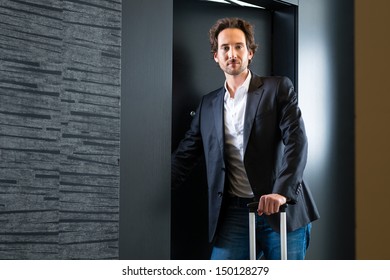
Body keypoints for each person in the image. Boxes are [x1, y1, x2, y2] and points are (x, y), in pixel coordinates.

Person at [171, 17, 319, 260]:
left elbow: (296, 142)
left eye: (239, 46)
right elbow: (185, 155)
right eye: (225, 48)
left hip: (281, 209)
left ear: (250, 53)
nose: (232, 53)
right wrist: (144, 188)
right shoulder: (207, 105)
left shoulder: (278, 88)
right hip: (235, 213)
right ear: (216, 56)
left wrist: (281, 192)